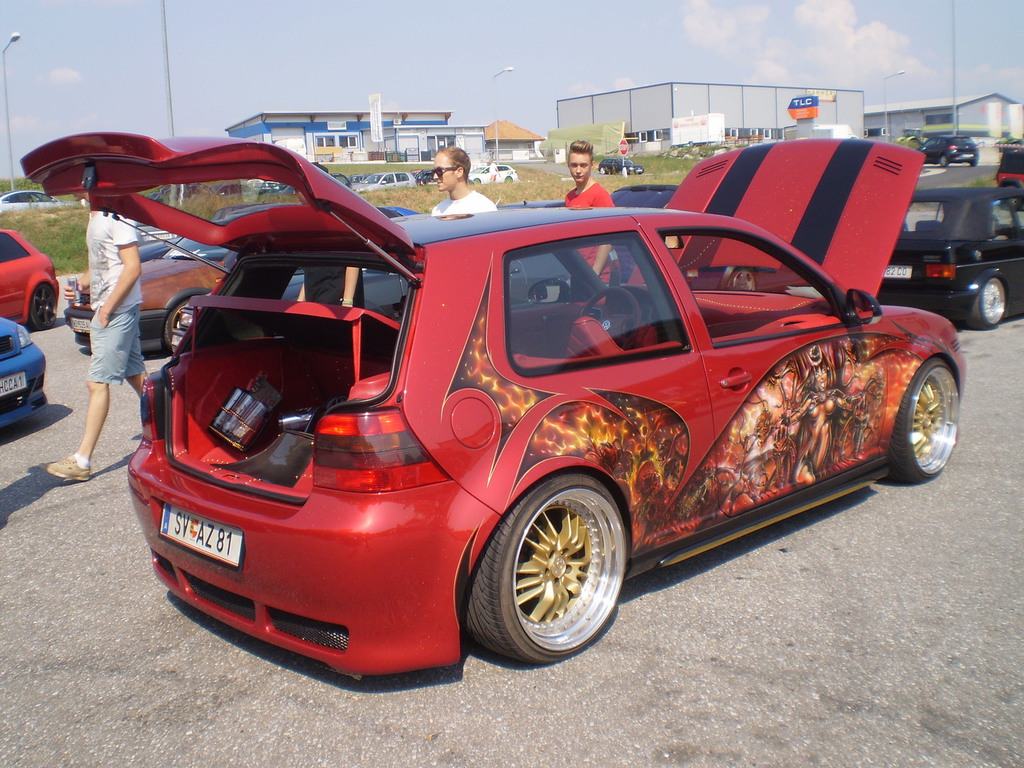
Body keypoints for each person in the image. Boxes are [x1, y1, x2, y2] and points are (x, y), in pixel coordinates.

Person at [47, 203, 146, 482]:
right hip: (109, 309)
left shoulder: (116, 214)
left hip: (117, 311)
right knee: (137, 376)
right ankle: (174, 426)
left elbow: (132, 267)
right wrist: (82, 283)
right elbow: (104, 264)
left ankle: (82, 460)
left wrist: (107, 309)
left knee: (97, 382)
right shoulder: (94, 215)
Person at [564, 139, 615, 279]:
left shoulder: (599, 194)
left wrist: (594, 274)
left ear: (592, 165)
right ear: (568, 165)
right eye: (574, 165)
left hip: (597, 276)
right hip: (577, 272)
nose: (578, 171)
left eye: (583, 165)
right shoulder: (569, 197)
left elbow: (609, 238)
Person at [431, 146, 497, 216]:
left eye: (439, 171)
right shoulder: (437, 211)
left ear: (459, 172)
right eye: (433, 171)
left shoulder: (484, 208)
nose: (435, 177)